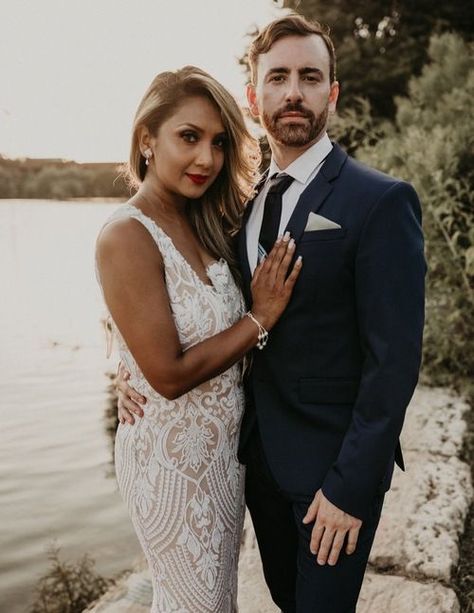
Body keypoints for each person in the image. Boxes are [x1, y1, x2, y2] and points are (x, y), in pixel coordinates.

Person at [117, 14, 426, 613]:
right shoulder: (239, 203)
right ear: (254, 96)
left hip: (330, 481)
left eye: (310, 77)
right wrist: (127, 364)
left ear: (332, 94)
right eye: (277, 77)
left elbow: (394, 365)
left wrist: (351, 488)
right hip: (252, 465)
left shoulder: (381, 201)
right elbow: (174, 294)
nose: (294, 92)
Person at [95, 65, 302, 613]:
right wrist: (260, 318)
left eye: (217, 142)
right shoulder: (125, 235)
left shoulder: (207, 220)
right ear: (147, 139)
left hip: (222, 457)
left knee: (218, 600)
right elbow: (165, 375)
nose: (206, 159)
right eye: (188, 137)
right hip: (170, 463)